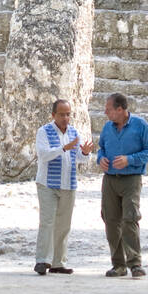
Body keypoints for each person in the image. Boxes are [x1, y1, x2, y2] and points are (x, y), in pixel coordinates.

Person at [97, 93, 148, 279]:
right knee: (110, 220)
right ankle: (118, 265)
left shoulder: (140, 126)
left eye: (109, 109)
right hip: (110, 180)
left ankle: (135, 263)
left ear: (120, 110)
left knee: (129, 218)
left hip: (131, 179)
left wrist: (129, 160)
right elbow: (101, 149)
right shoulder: (107, 127)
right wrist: (101, 159)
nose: (106, 112)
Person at [33, 99, 93, 275]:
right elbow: (44, 155)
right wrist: (63, 148)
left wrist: (85, 153)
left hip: (68, 183)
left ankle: (58, 262)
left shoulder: (74, 132)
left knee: (64, 224)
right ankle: (42, 260)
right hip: (47, 184)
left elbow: (80, 159)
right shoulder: (43, 131)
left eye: (68, 114)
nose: (65, 118)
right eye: (61, 114)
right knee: (47, 222)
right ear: (53, 115)